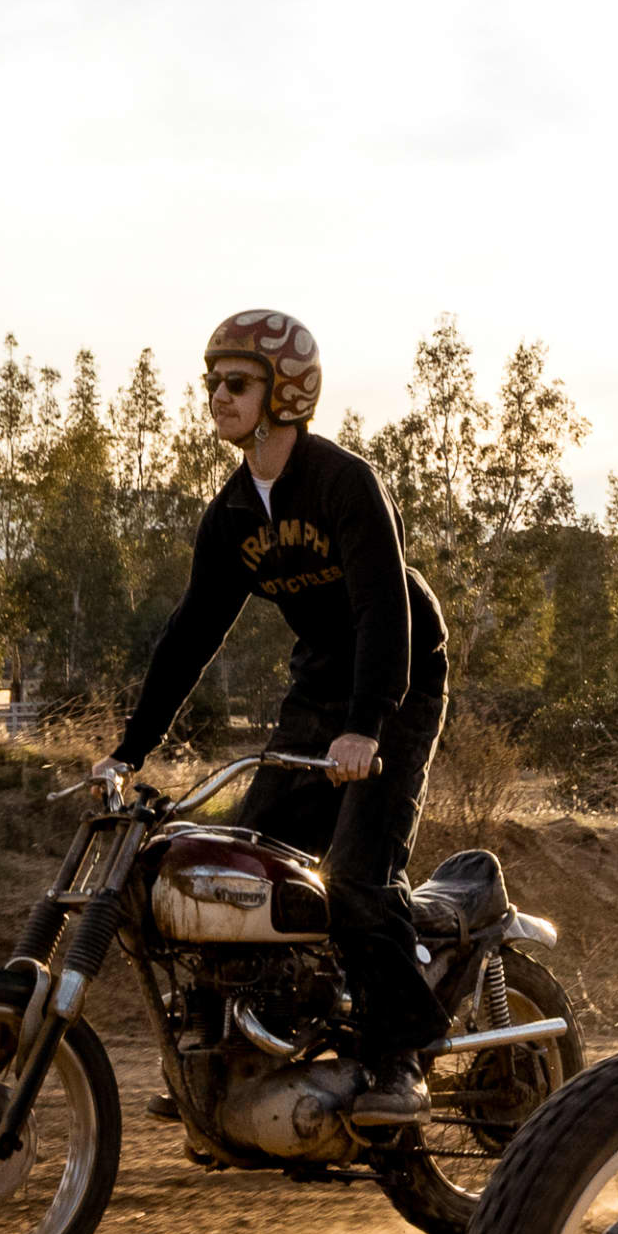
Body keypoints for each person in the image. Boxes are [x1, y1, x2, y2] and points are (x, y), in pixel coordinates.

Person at [97, 310, 449, 1126]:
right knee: (247, 865)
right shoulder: (230, 515)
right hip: (323, 680)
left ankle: (399, 1060)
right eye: (212, 382)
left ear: (285, 392)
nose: (217, 396)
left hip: (398, 674)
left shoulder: (343, 481)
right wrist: (128, 750)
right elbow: (190, 635)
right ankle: (248, 1051)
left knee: (359, 871)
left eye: (237, 383)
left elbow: (382, 613)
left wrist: (366, 727)